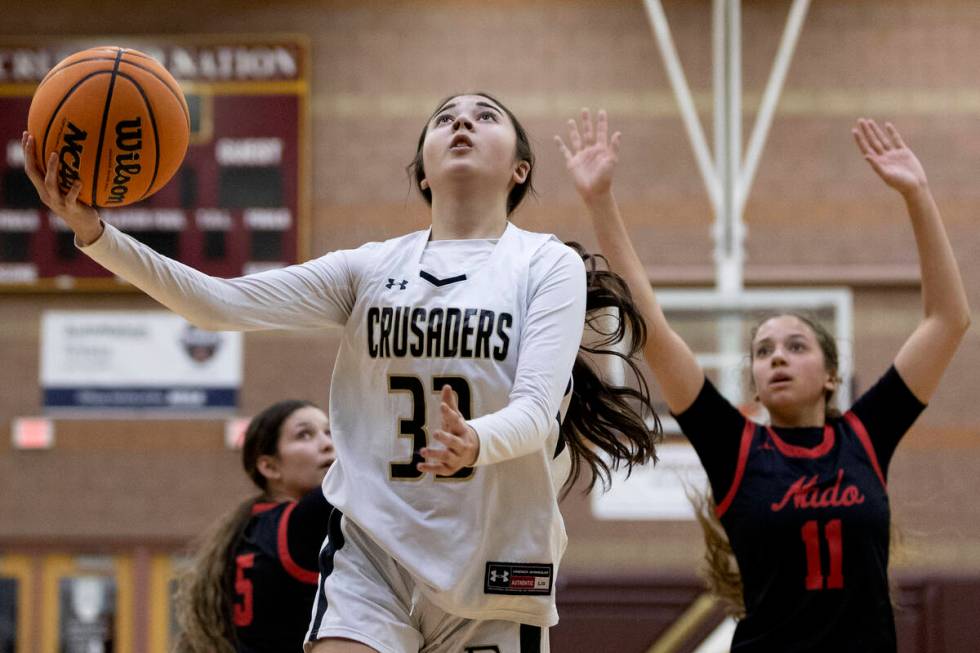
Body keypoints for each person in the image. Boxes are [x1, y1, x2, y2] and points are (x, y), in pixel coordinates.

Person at [23, 92, 659, 653]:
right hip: (374, 550)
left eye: (484, 116)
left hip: (494, 560)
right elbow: (216, 303)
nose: (462, 122)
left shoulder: (546, 267)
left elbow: (535, 410)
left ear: (519, 169)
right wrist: (95, 233)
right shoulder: (369, 269)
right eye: (444, 118)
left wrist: (476, 440)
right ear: (423, 173)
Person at [557, 111, 970, 651]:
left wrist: (916, 192)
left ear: (830, 377)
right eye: (763, 351)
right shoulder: (736, 447)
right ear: (752, 379)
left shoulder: (864, 437)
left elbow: (948, 320)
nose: (777, 358)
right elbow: (650, 327)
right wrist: (600, 200)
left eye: (796, 347)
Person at [173, 399, 335, 653]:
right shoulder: (298, 524)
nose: (328, 444)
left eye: (329, 432)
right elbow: (358, 473)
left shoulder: (248, 529)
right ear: (269, 466)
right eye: (305, 435)